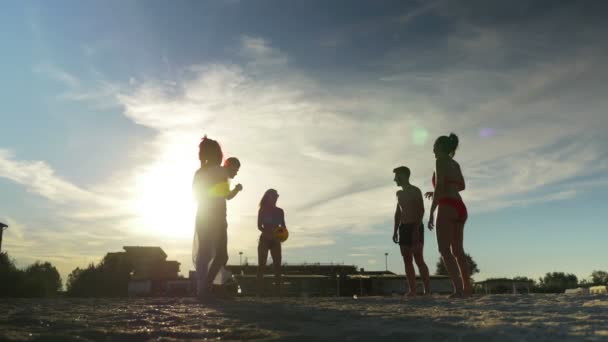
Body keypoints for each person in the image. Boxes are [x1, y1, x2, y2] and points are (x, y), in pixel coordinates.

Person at [192, 137, 242, 302]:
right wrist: (236, 190)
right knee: (221, 255)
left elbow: (195, 196)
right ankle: (207, 288)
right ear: (218, 154)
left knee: (204, 254)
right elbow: (225, 196)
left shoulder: (199, 173)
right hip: (217, 217)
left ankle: (204, 289)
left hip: (202, 215)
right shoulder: (220, 172)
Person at [425, 133, 471, 298]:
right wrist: (444, 189)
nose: (433, 151)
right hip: (460, 207)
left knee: (444, 249)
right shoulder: (455, 163)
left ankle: (458, 289)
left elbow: (440, 186)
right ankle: (467, 289)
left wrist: (431, 212)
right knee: (458, 251)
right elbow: (461, 186)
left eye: (434, 147)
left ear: (439, 148)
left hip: (447, 207)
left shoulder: (440, 161)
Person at [393, 166, 431, 297]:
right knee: (407, 259)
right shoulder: (399, 193)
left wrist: (416, 228)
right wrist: (395, 230)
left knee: (419, 259)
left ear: (403, 176)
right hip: (403, 228)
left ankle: (427, 290)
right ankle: (413, 290)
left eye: (396, 176)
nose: (394, 179)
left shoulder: (415, 190)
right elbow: (398, 212)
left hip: (416, 227)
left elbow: (421, 210)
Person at [257, 189, 285, 296]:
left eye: (277, 195)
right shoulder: (262, 210)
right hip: (264, 240)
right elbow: (259, 226)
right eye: (275, 195)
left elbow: (283, 226)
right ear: (269, 197)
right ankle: (259, 292)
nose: (277, 197)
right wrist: (267, 232)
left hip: (276, 241)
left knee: (277, 266)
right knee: (261, 266)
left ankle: (278, 292)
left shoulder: (280, 211)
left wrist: (283, 235)